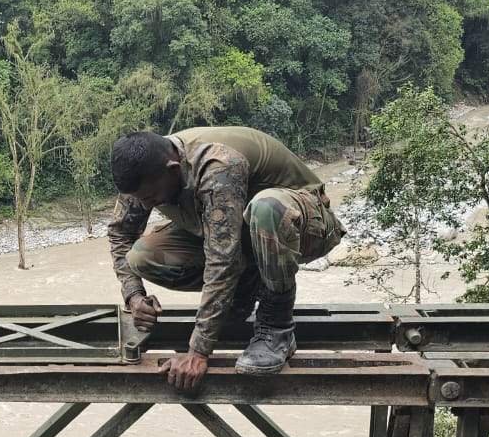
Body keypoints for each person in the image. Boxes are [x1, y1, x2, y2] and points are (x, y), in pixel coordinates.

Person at [108, 127, 344, 390]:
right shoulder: (142, 173)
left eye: (151, 198)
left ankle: (277, 327)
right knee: (142, 257)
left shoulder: (218, 166)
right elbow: (120, 234)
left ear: (173, 170)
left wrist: (197, 352)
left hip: (307, 227)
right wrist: (135, 296)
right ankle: (244, 291)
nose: (144, 206)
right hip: (236, 232)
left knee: (267, 208)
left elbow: (222, 260)